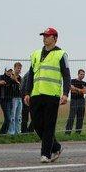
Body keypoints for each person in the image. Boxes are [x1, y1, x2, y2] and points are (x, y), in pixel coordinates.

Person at [23, 27, 71, 163]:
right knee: (36, 124)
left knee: (49, 125)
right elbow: (31, 75)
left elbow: (66, 75)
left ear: (55, 38)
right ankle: (56, 147)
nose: (44, 38)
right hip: (36, 94)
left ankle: (45, 154)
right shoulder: (36, 54)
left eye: (47, 36)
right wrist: (27, 93)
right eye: (43, 36)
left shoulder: (61, 54)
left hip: (52, 95)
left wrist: (65, 93)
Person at [65, 69, 86, 134]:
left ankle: (78, 133)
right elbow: (71, 89)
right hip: (74, 100)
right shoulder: (72, 81)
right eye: (81, 74)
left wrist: (76, 89)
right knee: (71, 116)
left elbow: (84, 91)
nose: (82, 75)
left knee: (80, 117)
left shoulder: (84, 83)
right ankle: (68, 132)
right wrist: (80, 90)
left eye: (83, 74)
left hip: (81, 100)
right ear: (78, 74)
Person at [0, 67, 15, 134]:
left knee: (8, 118)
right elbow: (5, 83)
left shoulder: (12, 78)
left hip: (10, 99)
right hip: (4, 100)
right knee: (8, 118)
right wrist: (12, 79)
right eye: (8, 71)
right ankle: (2, 132)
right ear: (5, 71)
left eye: (10, 71)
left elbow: (18, 83)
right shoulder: (1, 77)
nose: (9, 72)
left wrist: (13, 77)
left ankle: (4, 133)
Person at [8, 63, 23, 134]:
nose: (19, 70)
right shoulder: (11, 76)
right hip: (13, 98)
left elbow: (21, 86)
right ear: (14, 68)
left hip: (19, 98)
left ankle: (18, 131)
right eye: (18, 68)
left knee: (19, 116)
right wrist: (14, 78)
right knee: (12, 115)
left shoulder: (20, 78)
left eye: (20, 68)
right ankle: (11, 132)